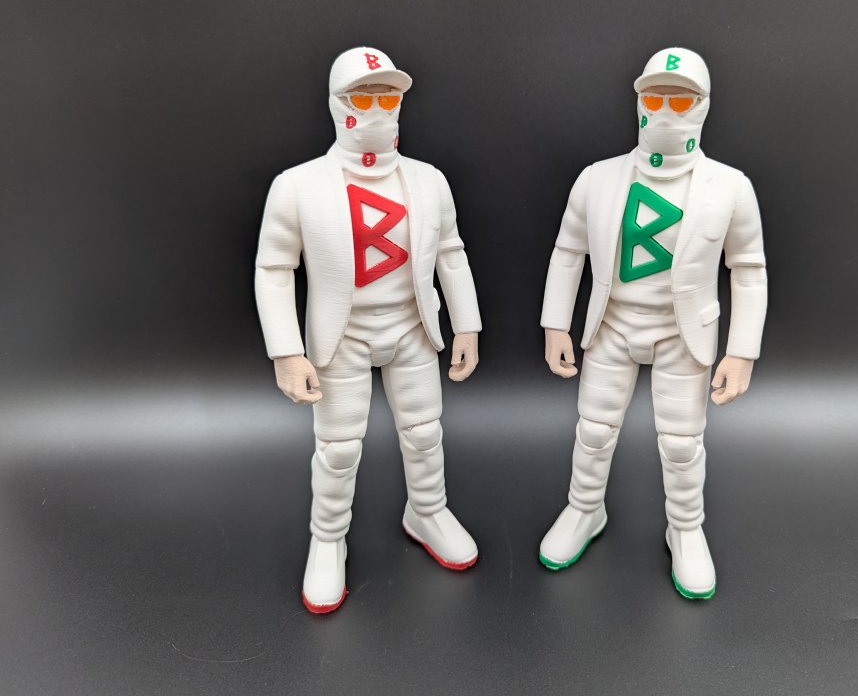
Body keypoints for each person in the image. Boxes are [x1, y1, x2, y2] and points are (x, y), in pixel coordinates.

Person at [255, 47, 482, 613]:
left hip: (412, 328)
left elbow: (451, 253)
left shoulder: (428, 181)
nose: (378, 107)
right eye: (364, 96)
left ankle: (427, 510)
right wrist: (286, 351)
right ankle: (327, 538)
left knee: (424, 432)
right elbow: (274, 267)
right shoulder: (298, 185)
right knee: (337, 448)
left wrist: (466, 326)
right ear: (338, 104)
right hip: (341, 337)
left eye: (388, 96)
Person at [538, 48, 767, 599]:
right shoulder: (597, 179)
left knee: (682, 442)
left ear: (702, 106)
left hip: (684, 335)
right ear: (638, 102)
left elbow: (749, 268)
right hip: (612, 326)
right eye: (655, 97)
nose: (665, 110)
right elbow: (568, 251)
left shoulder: (730, 186)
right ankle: (584, 508)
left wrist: (742, 351)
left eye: (681, 100)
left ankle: (685, 527)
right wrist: (555, 323)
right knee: (594, 430)